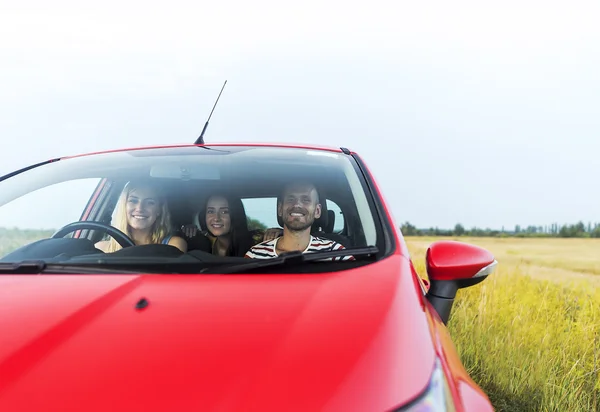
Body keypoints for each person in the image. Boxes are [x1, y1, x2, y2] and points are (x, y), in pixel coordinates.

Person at [245, 181, 353, 260]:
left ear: (317, 211)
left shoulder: (336, 253)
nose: (297, 204)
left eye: (305, 200)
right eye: (291, 199)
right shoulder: (255, 254)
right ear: (280, 209)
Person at [95, 180, 187, 253]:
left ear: (159, 210)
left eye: (150, 203)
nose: (140, 208)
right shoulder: (102, 249)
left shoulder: (173, 245)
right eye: (133, 201)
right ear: (124, 206)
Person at [182, 194, 282, 257]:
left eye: (224, 212)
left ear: (236, 215)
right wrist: (186, 229)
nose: (216, 218)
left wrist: (281, 233)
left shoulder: (258, 239)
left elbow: (289, 239)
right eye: (211, 211)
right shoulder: (203, 241)